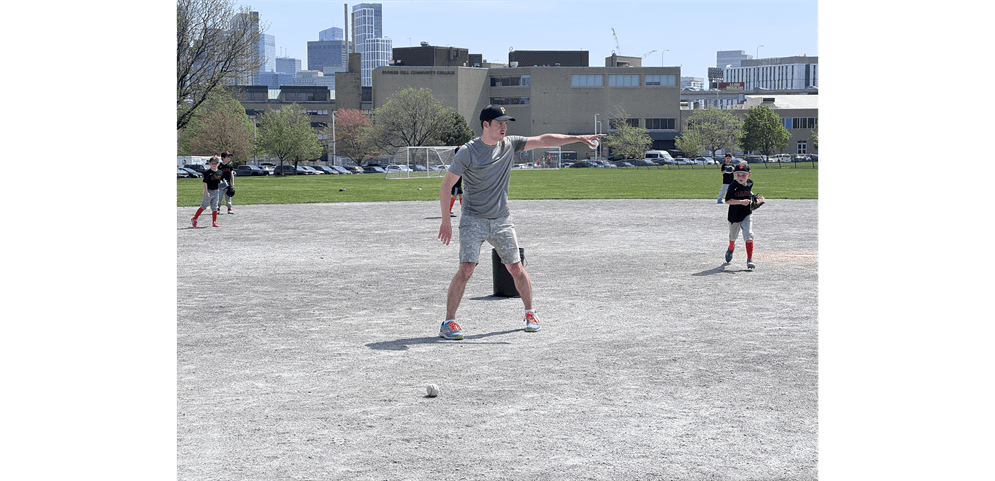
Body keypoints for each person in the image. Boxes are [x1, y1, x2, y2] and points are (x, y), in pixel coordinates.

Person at [436, 105, 603, 340]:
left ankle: (530, 313)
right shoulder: (468, 151)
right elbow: (446, 186)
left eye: (506, 123)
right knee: (466, 269)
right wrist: (446, 221)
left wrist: (578, 138)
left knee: (515, 267)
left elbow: (544, 140)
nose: (504, 127)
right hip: (473, 219)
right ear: (486, 125)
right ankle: (449, 322)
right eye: (499, 123)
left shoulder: (510, 144)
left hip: (502, 219)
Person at [723, 162, 765, 269]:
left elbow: (748, 191)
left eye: (743, 175)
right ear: (734, 175)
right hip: (734, 216)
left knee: (749, 235)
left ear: (749, 175)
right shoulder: (733, 186)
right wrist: (741, 202)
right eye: (738, 175)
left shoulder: (750, 183)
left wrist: (755, 197)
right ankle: (731, 248)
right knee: (733, 237)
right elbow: (727, 200)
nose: (740, 177)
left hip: (747, 214)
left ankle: (749, 259)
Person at [191, 157, 224, 228]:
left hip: (216, 191)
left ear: (218, 164)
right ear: (210, 164)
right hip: (209, 191)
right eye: (212, 163)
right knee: (203, 206)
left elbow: (220, 181)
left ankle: (214, 222)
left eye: (215, 163)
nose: (214, 165)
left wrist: (223, 184)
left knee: (215, 207)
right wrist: (206, 192)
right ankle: (194, 219)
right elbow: (205, 183)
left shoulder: (220, 172)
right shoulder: (207, 172)